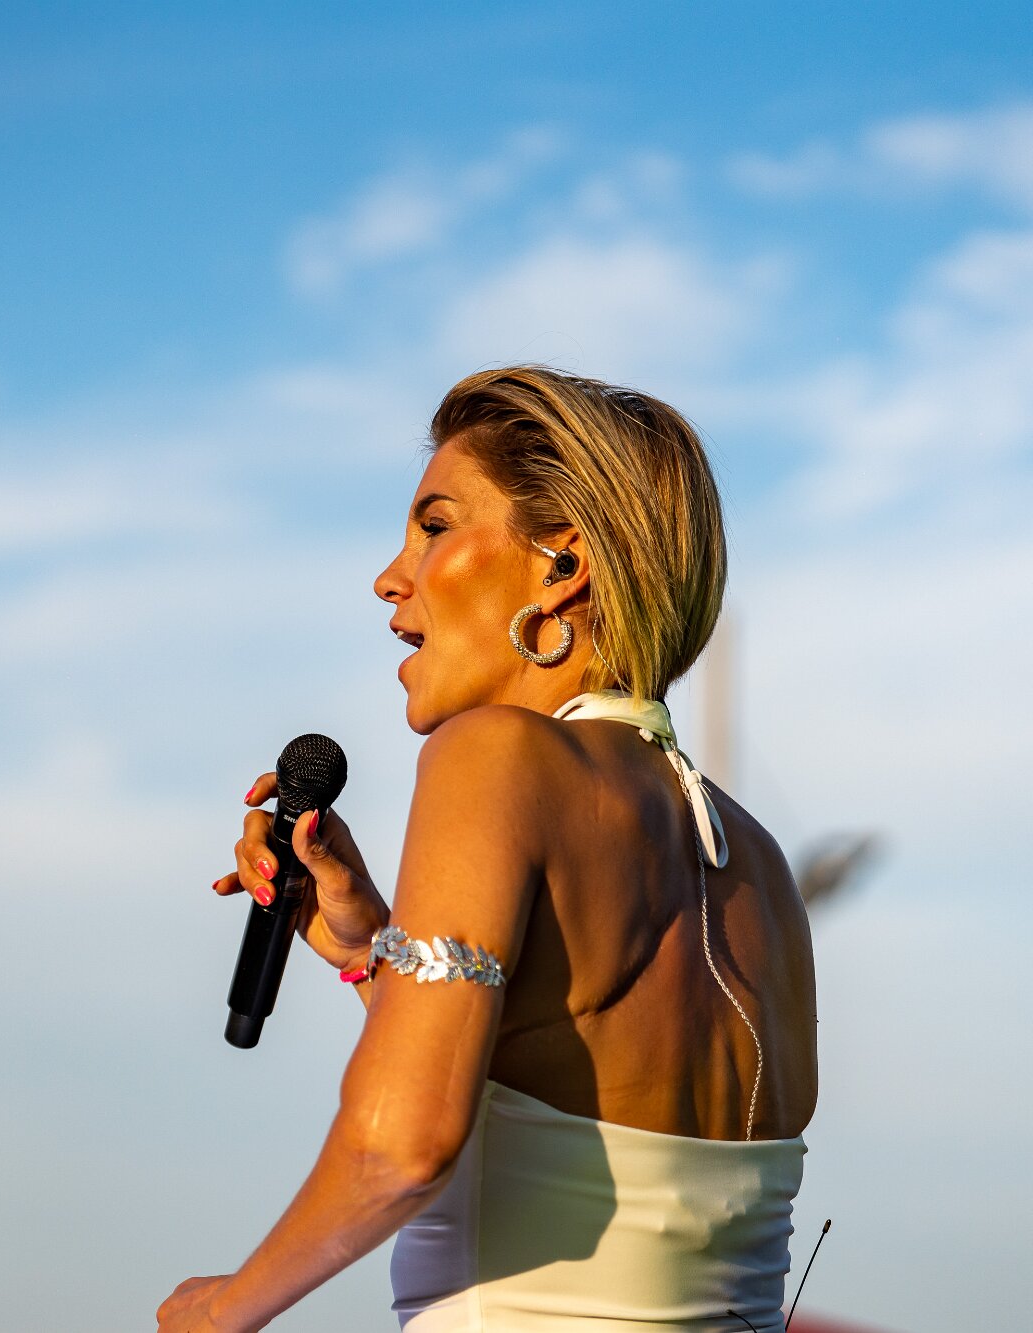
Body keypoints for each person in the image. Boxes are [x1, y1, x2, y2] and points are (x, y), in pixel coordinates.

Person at [158, 367, 818, 1333]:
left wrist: (220, 1310)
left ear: (562, 564)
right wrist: (369, 947)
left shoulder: (493, 754)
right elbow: (559, 1108)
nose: (390, 578)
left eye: (433, 526)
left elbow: (403, 1145)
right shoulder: (761, 868)